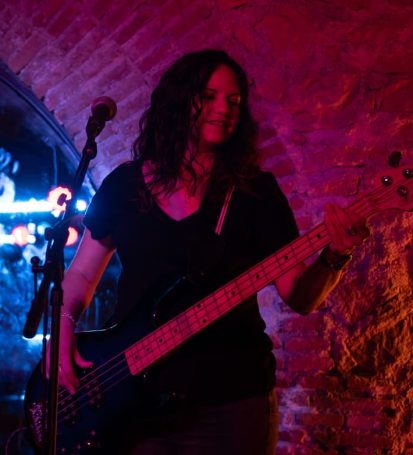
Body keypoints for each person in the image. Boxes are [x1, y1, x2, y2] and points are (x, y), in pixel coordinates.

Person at [49, 49, 368, 454]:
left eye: (234, 101)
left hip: (231, 402)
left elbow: (299, 296)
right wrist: (62, 327)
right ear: (178, 101)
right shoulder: (124, 185)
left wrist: (334, 256)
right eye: (208, 97)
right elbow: (80, 275)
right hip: (134, 401)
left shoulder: (255, 191)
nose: (224, 109)